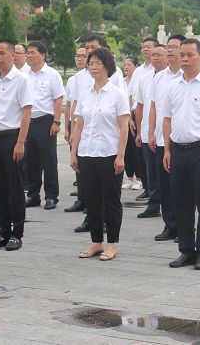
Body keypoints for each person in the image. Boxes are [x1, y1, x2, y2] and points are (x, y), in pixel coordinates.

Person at [161, 38, 200, 270]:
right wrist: (167, 149)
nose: (185, 59)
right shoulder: (173, 86)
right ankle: (186, 250)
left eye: (190, 55)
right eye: (182, 55)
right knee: (182, 203)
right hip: (178, 150)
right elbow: (167, 119)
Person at [69, 48, 130, 261]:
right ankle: (96, 241)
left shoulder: (118, 94)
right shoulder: (85, 94)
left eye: (98, 63)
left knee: (111, 200)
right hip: (87, 153)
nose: (93, 67)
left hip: (109, 154)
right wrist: (74, 153)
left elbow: (124, 127)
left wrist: (121, 156)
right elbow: (79, 124)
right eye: (91, 63)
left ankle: (112, 243)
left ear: (107, 66)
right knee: (92, 200)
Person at [0, 40, 32, 251]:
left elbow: (26, 112)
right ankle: (3, 232)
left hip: (12, 137)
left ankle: (17, 233)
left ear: (13, 55)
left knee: (15, 187)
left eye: (2, 53)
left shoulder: (22, 80)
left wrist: (20, 142)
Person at [147, 34, 185, 242]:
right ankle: (170, 225)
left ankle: (185, 226)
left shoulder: (186, 75)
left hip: (181, 140)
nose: (170, 51)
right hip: (162, 140)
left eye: (174, 47)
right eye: (168, 47)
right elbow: (153, 107)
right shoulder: (159, 77)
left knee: (182, 187)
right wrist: (151, 132)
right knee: (165, 185)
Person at [24, 41, 65, 210]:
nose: (29, 55)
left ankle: (51, 196)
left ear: (43, 55)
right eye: (28, 52)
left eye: (32, 52)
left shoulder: (52, 74)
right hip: (27, 122)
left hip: (45, 121)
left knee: (48, 160)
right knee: (30, 160)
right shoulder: (24, 74)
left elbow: (58, 99)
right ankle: (33, 195)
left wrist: (56, 121)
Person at [134, 43, 168, 219]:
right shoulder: (144, 79)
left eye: (159, 55)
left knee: (166, 172)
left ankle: (169, 206)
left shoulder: (173, 78)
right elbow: (139, 107)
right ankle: (154, 204)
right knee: (151, 172)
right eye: (153, 55)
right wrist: (140, 131)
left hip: (165, 135)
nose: (155, 58)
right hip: (148, 132)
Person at [63, 45, 88, 212]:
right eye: (77, 56)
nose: (79, 59)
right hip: (76, 125)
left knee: (88, 165)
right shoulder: (74, 79)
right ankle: (81, 198)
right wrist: (67, 128)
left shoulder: (95, 76)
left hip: (89, 125)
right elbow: (70, 105)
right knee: (77, 163)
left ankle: (89, 199)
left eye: (83, 56)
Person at [121, 56, 143, 191]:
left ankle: (139, 178)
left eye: (129, 65)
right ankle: (129, 178)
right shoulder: (121, 81)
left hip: (134, 116)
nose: (126, 67)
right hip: (124, 117)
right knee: (127, 148)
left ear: (136, 66)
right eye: (125, 65)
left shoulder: (138, 81)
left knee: (136, 149)